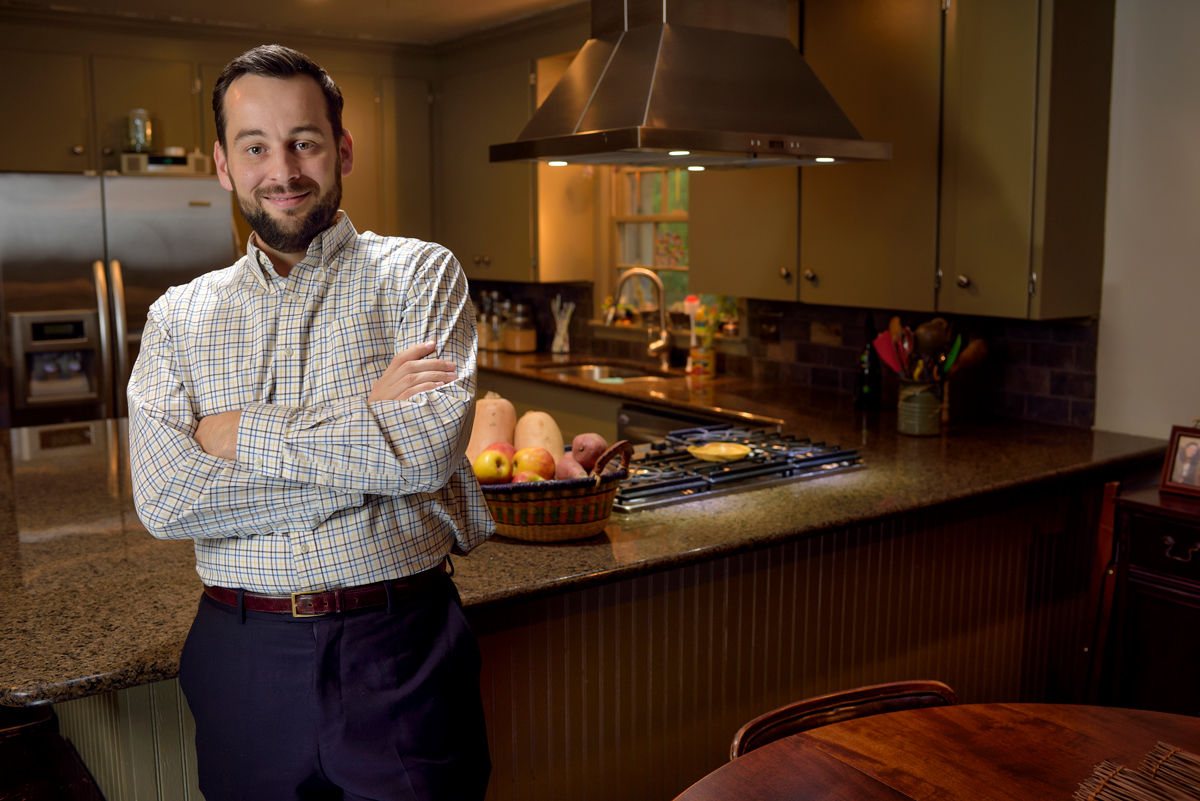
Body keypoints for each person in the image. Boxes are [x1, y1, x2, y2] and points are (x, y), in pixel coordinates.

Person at [127, 44, 494, 800]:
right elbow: (166, 499)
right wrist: (366, 424)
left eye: (304, 141)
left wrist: (236, 434)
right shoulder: (178, 316)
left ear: (342, 149)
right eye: (255, 146)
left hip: (401, 648)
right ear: (225, 166)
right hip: (241, 655)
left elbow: (423, 454)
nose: (283, 169)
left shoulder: (421, 274)